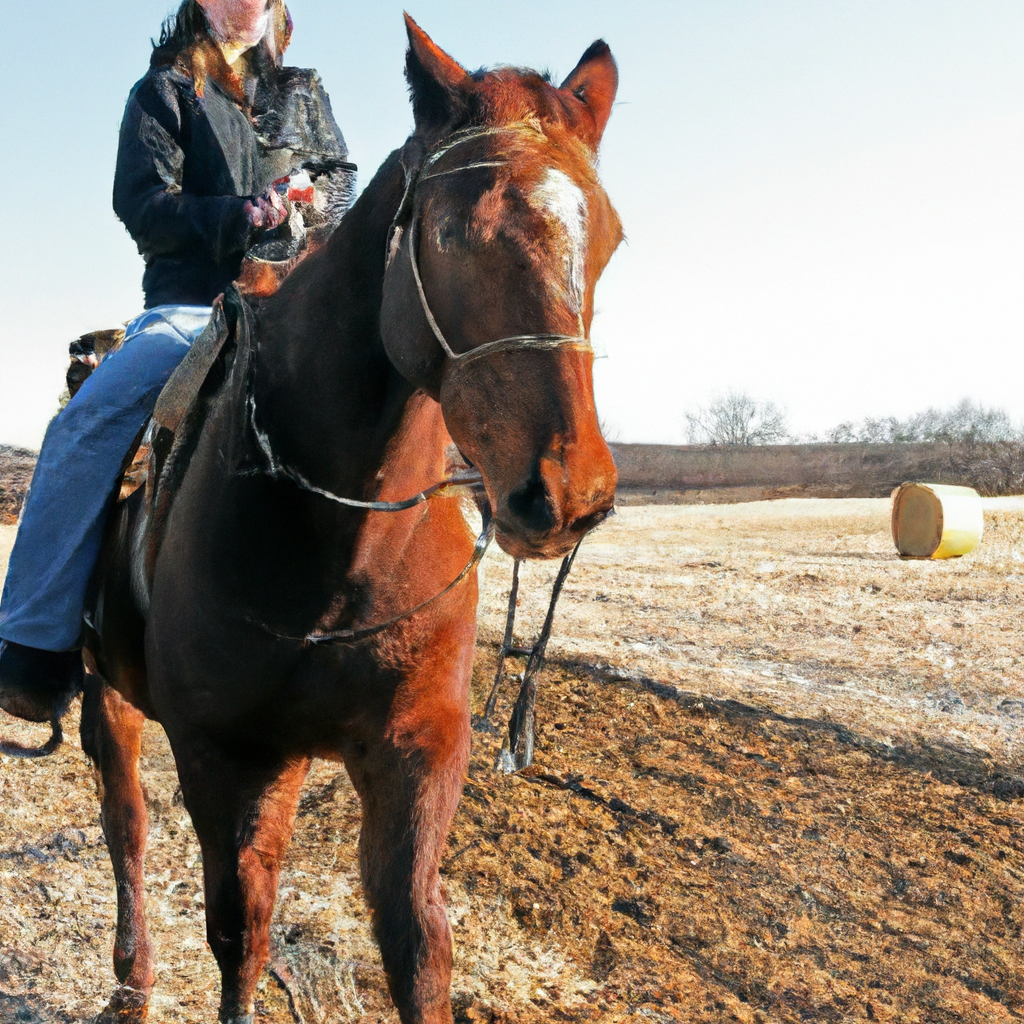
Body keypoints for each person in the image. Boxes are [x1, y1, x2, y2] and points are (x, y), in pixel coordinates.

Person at [0, 0, 352, 724]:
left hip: (301, 304)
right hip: (195, 306)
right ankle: (33, 644)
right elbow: (141, 205)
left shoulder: (305, 93)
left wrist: (315, 205)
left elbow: (341, 186)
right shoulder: (162, 93)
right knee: (84, 425)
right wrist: (241, 215)